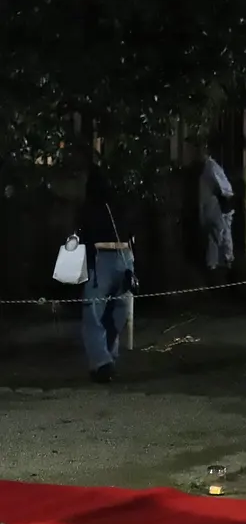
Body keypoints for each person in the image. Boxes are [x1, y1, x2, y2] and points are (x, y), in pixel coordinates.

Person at [79, 147, 136, 384]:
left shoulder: (90, 206)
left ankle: (102, 363)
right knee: (118, 311)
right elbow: (133, 231)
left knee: (93, 313)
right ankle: (109, 356)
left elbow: (83, 235)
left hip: (100, 258)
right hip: (125, 256)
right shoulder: (121, 203)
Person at [197, 140, 235, 275]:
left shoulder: (209, 167)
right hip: (215, 206)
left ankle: (218, 263)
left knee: (218, 234)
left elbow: (222, 187)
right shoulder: (210, 167)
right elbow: (224, 187)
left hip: (214, 206)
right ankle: (220, 263)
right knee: (219, 233)